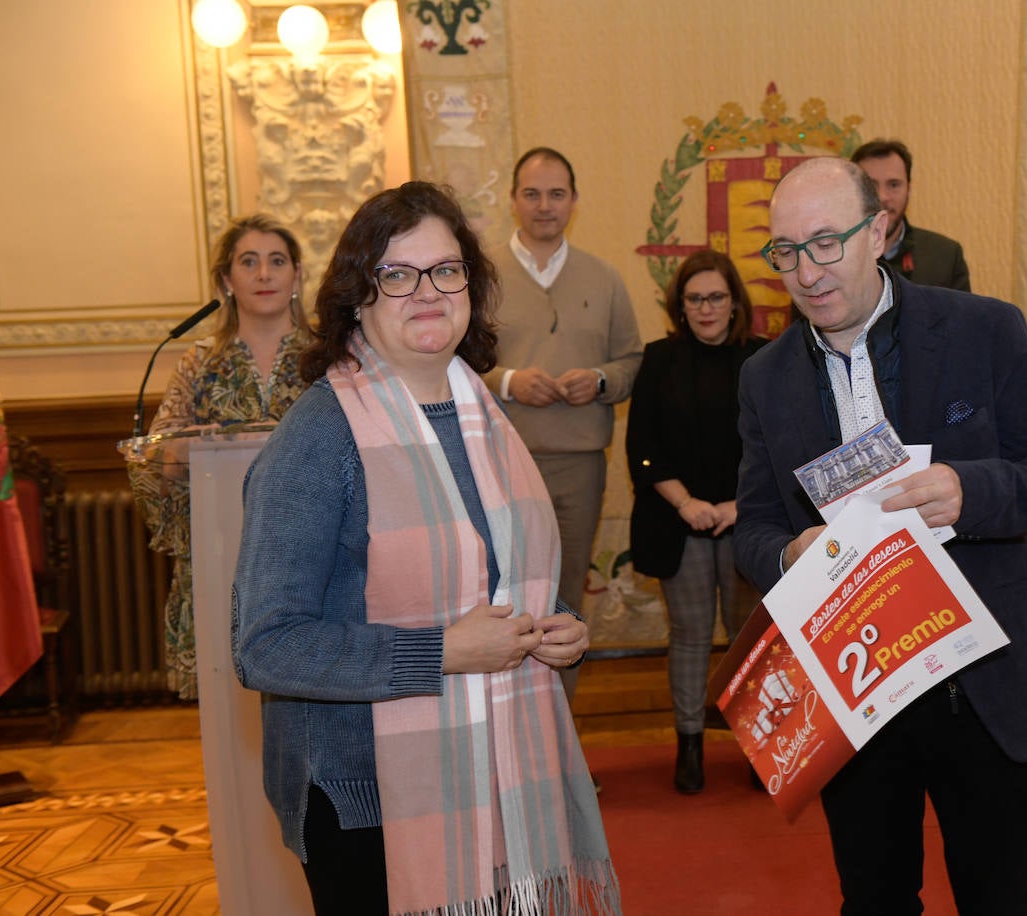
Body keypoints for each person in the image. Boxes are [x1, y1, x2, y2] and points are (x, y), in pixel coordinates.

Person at [231, 181, 620, 915]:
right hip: (363, 793)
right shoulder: (319, 438)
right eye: (397, 275)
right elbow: (265, 646)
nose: (426, 292)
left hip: (499, 764)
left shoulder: (484, 416)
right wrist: (442, 651)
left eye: (445, 270)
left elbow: (490, 574)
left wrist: (553, 622)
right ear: (357, 296)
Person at [734, 157, 1027, 915]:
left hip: (984, 686)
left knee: (1000, 899)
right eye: (786, 251)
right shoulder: (765, 378)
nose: (806, 271)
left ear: (880, 233)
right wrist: (787, 555)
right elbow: (755, 529)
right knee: (873, 900)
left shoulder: (983, 330)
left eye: (827, 242)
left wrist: (973, 490)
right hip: (856, 692)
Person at [128, 214, 310, 700]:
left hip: (312, 555)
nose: (264, 275)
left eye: (277, 261)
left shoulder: (329, 357)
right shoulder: (200, 361)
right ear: (227, 280)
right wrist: (189, 447)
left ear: (296, 275)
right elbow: (156, 456)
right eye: (248, 262)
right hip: (219, 556)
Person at [484, 147, 644, 700]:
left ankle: (561, 744)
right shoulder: (480, 277)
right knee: (500, 596)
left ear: (573, 202)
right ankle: (507, 735)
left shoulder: (603, 277)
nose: (544, 206)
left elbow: (631, 361)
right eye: (532, 194)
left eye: (556, 194)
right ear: (512, 201)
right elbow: (450, 364)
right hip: (499, 459)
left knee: (565, 599)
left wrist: (600, 380)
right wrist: (507, 382)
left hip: (579, 465)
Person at [625, 250, 767, 794]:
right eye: (694, 299)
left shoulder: (763, 358)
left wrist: (739, 506)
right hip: (676, 518)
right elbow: (642, 448)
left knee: (747, 639)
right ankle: (690, 744)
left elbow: (776, 448)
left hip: (747, 519)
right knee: (688, 635)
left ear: (735, 303)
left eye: (716, 297)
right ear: (679, 305)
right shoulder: (659, 359)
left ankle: (759, 744)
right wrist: (685, 503)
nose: (706, 308)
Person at [850, 138, 971, 291]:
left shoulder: (946, 257)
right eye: (871, 185)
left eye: (894, 185)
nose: (882, 197)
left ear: (909, 189)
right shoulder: (831, 254)